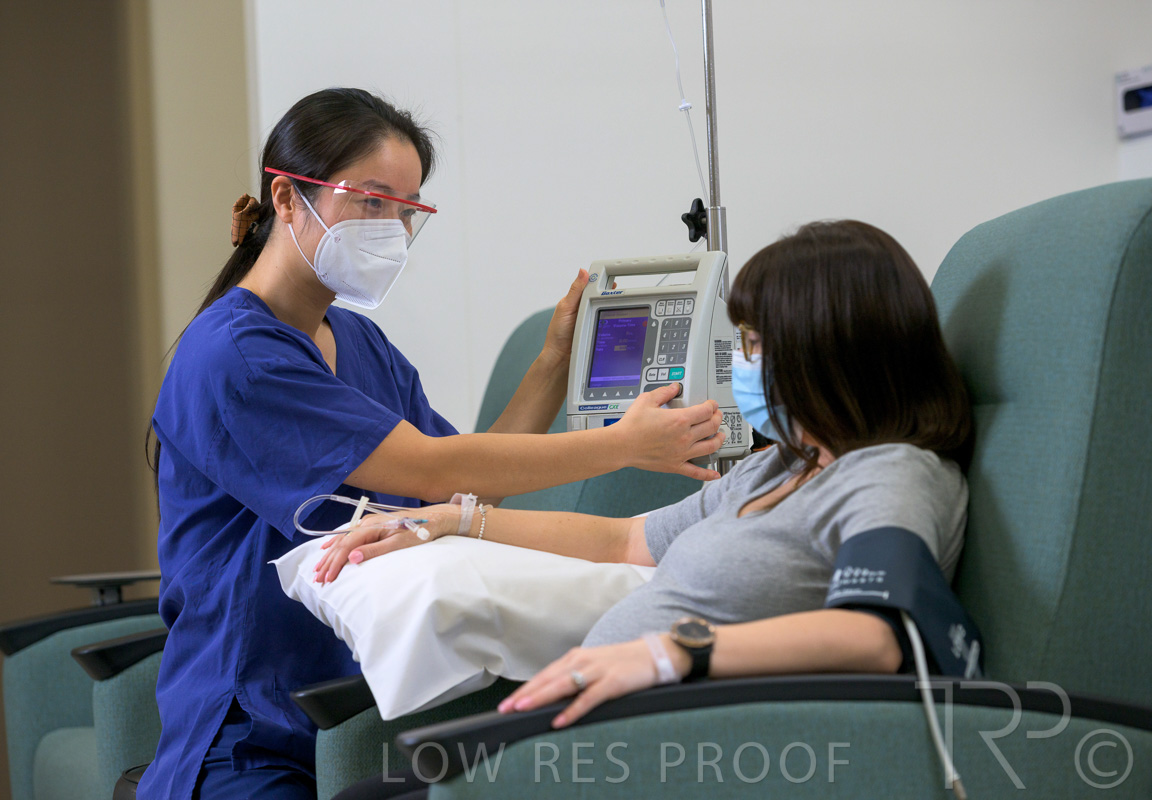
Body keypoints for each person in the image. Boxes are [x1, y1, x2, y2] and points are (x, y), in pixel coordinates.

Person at [142, 88, 724, 799]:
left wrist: (552, 361)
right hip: (247, 732)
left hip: (358, 714)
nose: (390, 229)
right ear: (287, 197)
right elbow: (428, 468)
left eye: (406, 211)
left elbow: (459, 488)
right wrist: (624, 446)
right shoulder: (235, 356)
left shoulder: (357, 342)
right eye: (370, 201)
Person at [325, 219, 974, 799]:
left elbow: (877, 638)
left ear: (829, 349)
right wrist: (459, 520)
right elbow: (624, 541)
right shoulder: (777, 467)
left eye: (754, 344)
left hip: (694, 743)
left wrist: (672, 654)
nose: (742, 364)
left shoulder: (889, 474)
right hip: (612, 730)